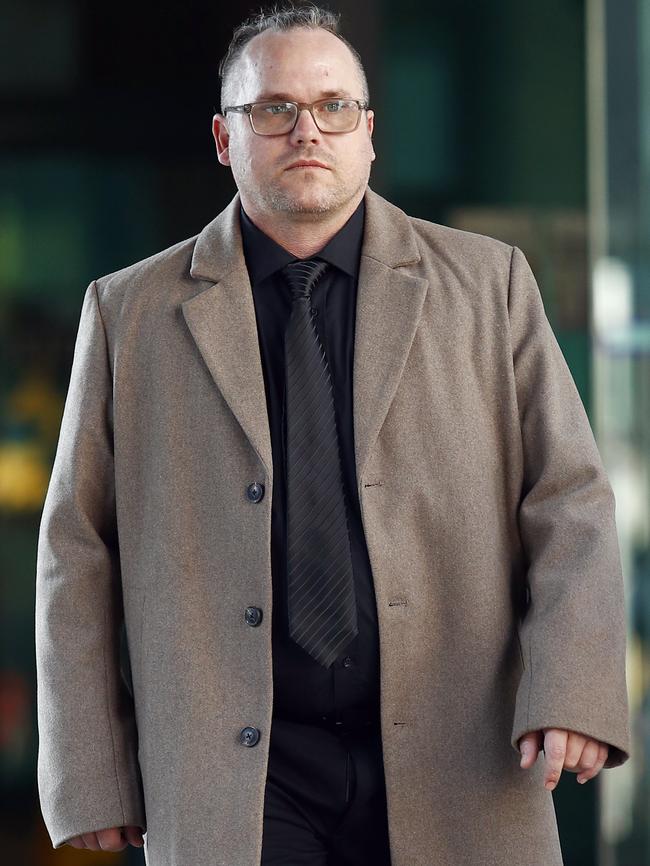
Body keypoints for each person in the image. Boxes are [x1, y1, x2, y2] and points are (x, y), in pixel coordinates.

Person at [35, 4, 631, 866]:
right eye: (272, 109)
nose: (305, 129)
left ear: (370, 132)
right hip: (234, 769)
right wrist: (89, 775)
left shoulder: (489, 284)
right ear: (223, 138)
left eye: (332, 106)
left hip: (457, 745)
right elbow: (75, 555)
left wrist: (572, 687)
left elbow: (570, 499)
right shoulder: (130, 313)